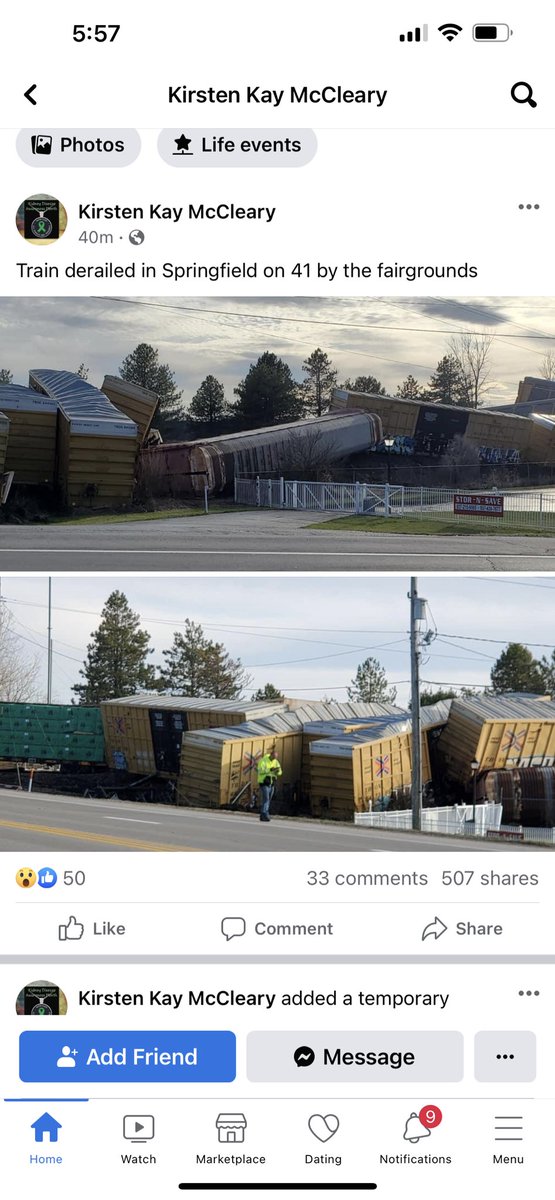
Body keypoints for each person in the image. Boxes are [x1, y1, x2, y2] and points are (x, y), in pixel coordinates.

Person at [257, 748, 283, 822]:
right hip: (264, 782)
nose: (274, 759)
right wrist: (270, 770)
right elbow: (260, 770)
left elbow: (280, 772)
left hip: (271, 783)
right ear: (271, 755)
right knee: (266, 799)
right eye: (273, 757)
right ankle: (265, 813)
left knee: (269, 799)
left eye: (275, 758)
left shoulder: (275, 762)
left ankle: (263, 814)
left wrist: (277, 771)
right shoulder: (263, 761)